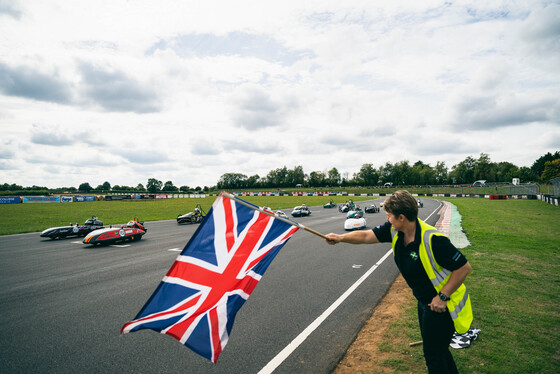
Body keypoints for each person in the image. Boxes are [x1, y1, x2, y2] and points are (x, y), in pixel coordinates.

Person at [325, 190, 473, 374]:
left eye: (389, 216)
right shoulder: (395, 230)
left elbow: (464, 267)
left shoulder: (433, 240)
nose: (388, 220)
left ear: (401, 217)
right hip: (425, 301)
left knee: (433, 356)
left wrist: (442, 296)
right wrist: (340, 238)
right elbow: (366, 236)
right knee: (439, 352)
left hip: (441, 306)